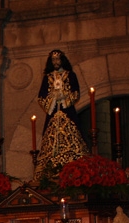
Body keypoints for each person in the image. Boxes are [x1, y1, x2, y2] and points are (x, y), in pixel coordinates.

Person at [34, 49, 89, 180]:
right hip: (53, 114)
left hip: (67, 113)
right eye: (53, 60)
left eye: (58, 59)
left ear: (62, 60)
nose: (56, 62)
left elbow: (76, 93)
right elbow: (41, 97)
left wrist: (64, 97)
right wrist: (52, 98)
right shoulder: (47, 78)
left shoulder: (70, 76)